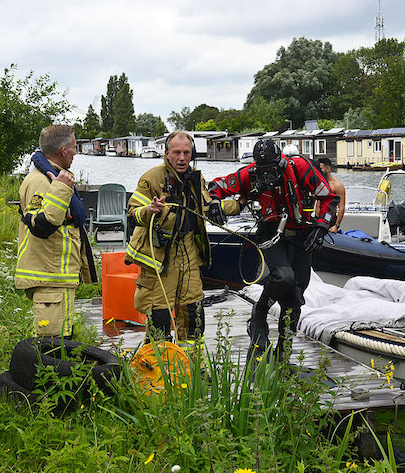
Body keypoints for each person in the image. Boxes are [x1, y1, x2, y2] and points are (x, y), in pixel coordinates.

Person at [209, 139, 339, 362]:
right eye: (262, 171)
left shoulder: (300, 167)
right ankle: (259, 313)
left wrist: (322, 225)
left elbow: (329, 198)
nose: (267, 175)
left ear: (280, 162)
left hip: (301, 234)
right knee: (283, 277)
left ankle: (284, 352)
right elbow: (216, 187)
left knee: (295, 297)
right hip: (271, 231)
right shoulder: (249, 174)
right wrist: (214, 203)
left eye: (270, 170)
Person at [125, 131, 237, 343]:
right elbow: (132, 214)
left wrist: (237, 205)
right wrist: (150, 210)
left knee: (193, 315)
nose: (182, 157)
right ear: (166, 153)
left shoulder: (196, 178)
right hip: (159, 260)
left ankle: (192, 368)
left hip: (188, 256)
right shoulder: (151, 179)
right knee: (159, 318)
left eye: (187, 152)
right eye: (176, 152)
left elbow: (204, 207)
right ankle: (158, 371)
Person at [15, 124, 97, 338]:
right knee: (51, 344)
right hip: (48, 278)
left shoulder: (53, 176)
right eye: (74, 147)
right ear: (63, 151)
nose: (76, 153)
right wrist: (61, 189)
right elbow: (42, 226)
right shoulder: (41, 181)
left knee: (62, 339)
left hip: (58, 279)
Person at [317, 158, 346, 233]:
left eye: (321, 169)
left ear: (328, 169)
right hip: (317, 219)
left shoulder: (337, 185)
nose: (318, 171)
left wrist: (336, 225)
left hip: (329, 220)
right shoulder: (318, 182)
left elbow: (341, 207)